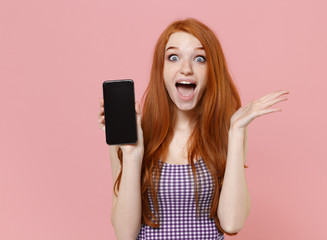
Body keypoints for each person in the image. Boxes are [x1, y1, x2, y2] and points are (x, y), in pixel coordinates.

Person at [98, 18, 289, 240]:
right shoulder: (131, 136)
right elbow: (124, 235)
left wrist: (236, 133)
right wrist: (132, 155)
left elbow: (232, 223)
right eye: (173, 57)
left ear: (211, 72)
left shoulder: (226, 132)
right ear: (161, 70)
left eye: (199, 59)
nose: (186, 69)